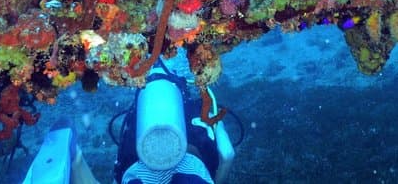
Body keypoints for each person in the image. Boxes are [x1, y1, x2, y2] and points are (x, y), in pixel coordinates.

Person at [22, 60, 237, 184]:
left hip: (177, 164)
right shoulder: (195, 110)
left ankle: (75, 155)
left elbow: (227, 154)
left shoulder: (187, 113)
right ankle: (75, 156)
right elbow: (227, 154)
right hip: (170, 167)